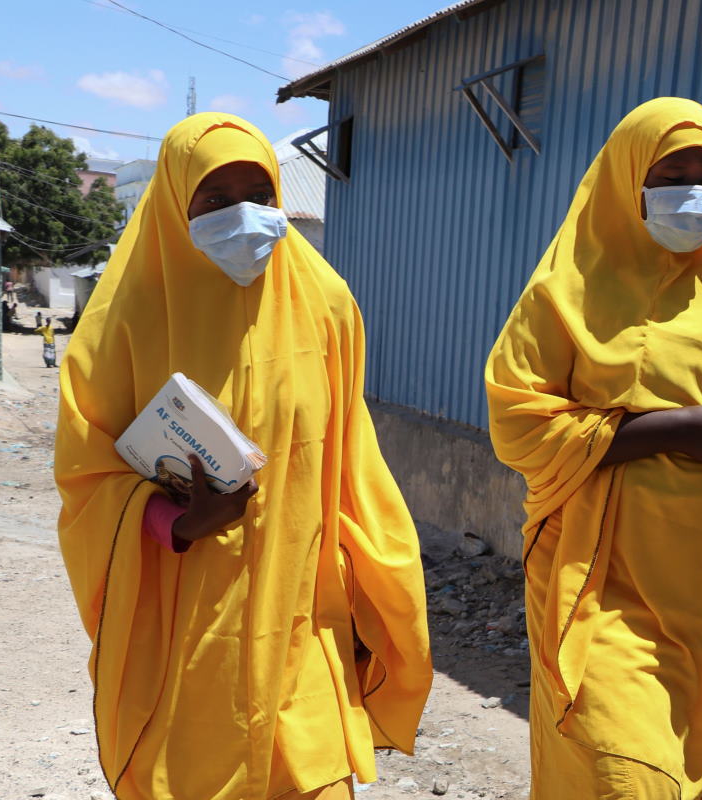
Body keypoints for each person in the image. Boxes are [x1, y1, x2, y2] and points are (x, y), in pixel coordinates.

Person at [54, 113, 432, 800]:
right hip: (186, 631)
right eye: (217, 200)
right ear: (175, 204)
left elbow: (352, 465)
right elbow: (86, 479)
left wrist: (374, 598)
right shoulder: (122, 323)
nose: (245, 215)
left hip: (302, 622)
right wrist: (175, 521)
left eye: (259, 194)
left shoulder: (327, 305)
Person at [485, 97, 702, 799]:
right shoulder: (564, 292)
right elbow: (515, 420)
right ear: (628, 180)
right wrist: (666, 430)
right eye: (672, 173)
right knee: (622, 774)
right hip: (601, 575)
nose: (694, 190)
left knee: (693, 767)